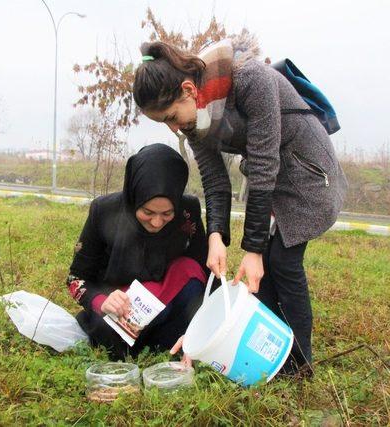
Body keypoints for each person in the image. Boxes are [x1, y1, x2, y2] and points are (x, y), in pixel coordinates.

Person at [133, 34, 347, 374]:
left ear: (189, 90)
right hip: (273, 178)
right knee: (261, 278)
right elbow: (216, 182)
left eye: (172, 116)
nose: (174, 127)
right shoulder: (195, 122)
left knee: (282, 263)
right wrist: (216, 235)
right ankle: (275, 350)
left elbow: (263, 165)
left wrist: (253, 248)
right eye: (165, 122)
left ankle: (301, 364)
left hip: (308, 172)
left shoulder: (249, 79)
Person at [66, 143, 208, 360]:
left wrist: (200, 331)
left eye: (167, 213)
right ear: (134, 198)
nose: (157, 222)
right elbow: (75, 278)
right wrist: (102, 301)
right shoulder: (104, 211)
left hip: (166, 300)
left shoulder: (188, 210)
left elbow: (204, 271)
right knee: (105, 330)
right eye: (147, 212)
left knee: (191, 271)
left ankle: (173, 343)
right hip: (119, 308)